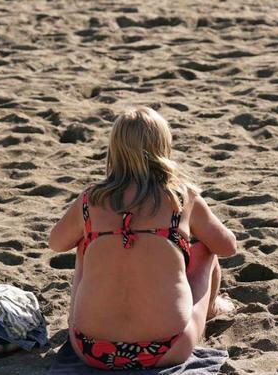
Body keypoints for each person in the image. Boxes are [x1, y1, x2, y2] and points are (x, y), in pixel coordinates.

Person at [49, 107, 237, 370]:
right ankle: (211, 307)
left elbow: (56, 243)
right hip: (166, 349)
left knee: (84, 243)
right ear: (163, 147)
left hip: (90, 348)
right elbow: (227, 247)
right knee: (206, 249)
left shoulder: (90, 199)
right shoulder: (181, 198)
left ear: (114, 150)